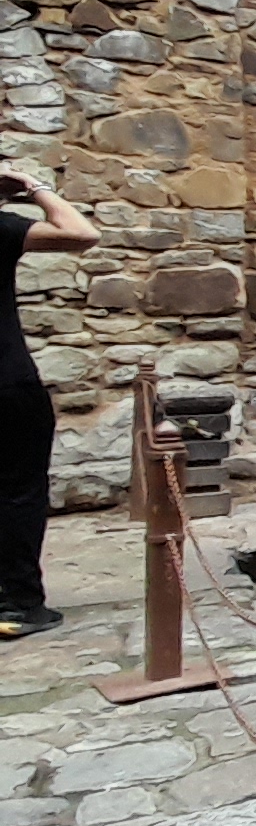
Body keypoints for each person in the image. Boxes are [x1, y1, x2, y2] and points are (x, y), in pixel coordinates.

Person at [2, 164, 98, 639]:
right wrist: (35, 188)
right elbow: (81, 233)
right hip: (6, 383)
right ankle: (17, 603)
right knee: (19, 490)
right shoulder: (2, 228)